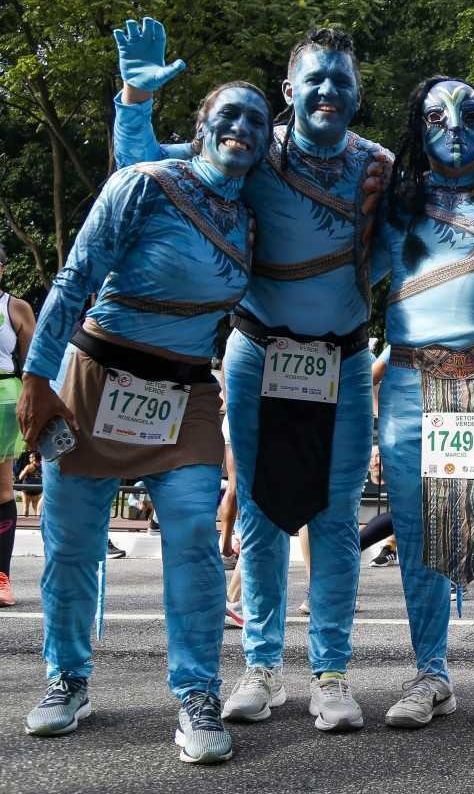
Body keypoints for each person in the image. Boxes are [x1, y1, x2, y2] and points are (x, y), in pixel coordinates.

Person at [111, 19, 392, 732]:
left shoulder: (379, 169)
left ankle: (331, 674)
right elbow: (145, 170)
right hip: (257, 354)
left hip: (344, 362)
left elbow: (419, 235)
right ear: (289, 90)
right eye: (316, 78)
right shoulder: (251, 150)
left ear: (359, 94)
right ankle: (261, 666)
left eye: (343, 79)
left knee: (333, 520)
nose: (330, 89)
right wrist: (135, 98)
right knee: (261, 515)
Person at [16, 59, 270, 764]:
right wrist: (38, 378)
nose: (242, 127)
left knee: (194, 534)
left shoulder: (252, 219)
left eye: (256, 118)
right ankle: (66, 678)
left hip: (185, 397)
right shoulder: (143, 185)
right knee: (69, 545)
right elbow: (76, 276)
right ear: (200, 126)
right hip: (93, 381)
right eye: (229, 113)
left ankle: (196, 694)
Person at [371, 76, 474, 736]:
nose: (453, 124)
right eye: (435, 115)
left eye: (467, 113)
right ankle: (430, 674)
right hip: (415, 389)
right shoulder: (393, 204)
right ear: (417, 127)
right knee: (416, 536)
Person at [0, 247, 35, 608]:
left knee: (3, 487)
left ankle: (1, 575)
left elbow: (35, 362)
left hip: (5, 397)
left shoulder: (16, 307)